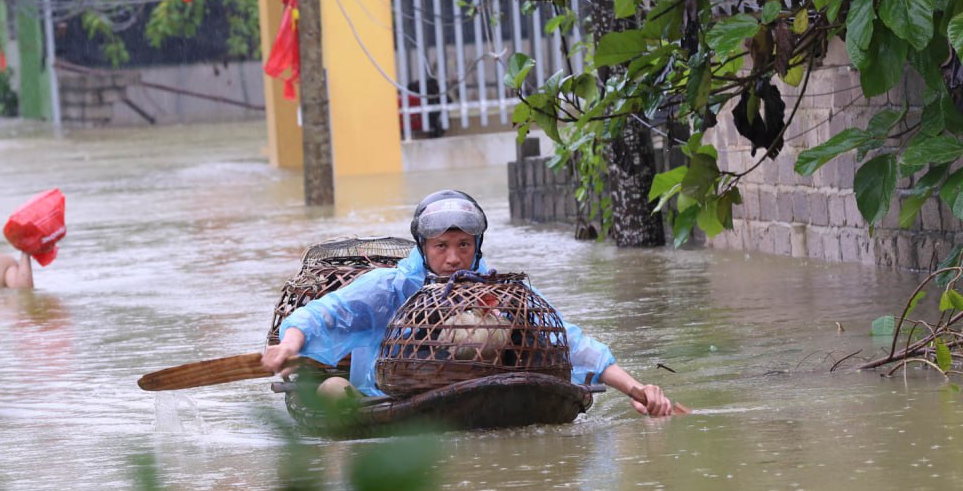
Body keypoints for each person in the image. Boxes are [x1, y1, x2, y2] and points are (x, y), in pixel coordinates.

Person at [260, 190, 675, 417]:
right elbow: (320, 315)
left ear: (477, 247)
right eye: (441, 246)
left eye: (463, 245)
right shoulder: (391, 288)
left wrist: (636, 389)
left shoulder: (499, 290)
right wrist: (289, 345)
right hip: (381, 396)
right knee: (333, 390)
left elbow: (570, 340)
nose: (454, 258)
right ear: (424, 248)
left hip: (469, 389)